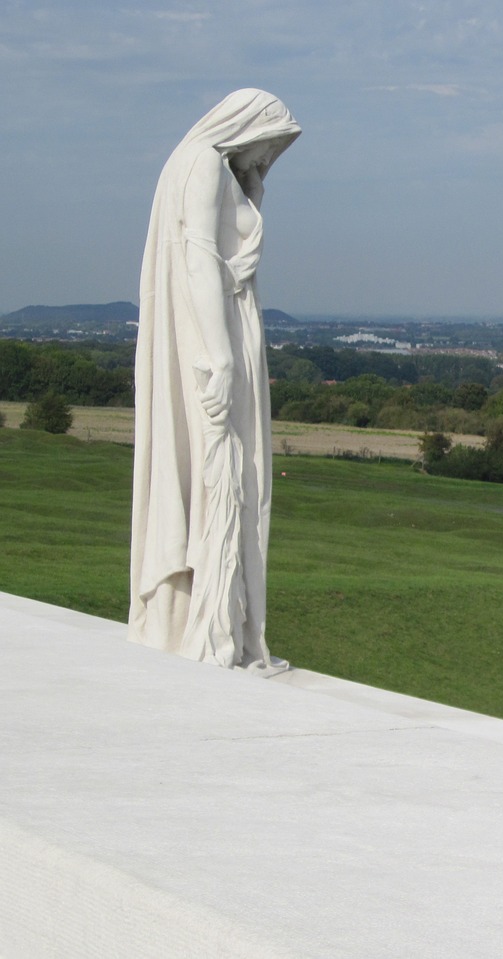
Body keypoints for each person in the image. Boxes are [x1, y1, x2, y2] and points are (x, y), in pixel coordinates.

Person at [129, 89, 300, 672]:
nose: (267, 158)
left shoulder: (196, 164)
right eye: (268, 145)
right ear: (246, 125)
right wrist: (223, 359)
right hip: (219, 337)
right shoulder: (203, 162)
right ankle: (218, 629)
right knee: (228, 479)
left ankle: (214, 620)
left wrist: (250, 186)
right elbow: (202, 256)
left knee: (226, 480)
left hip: (219, 331)